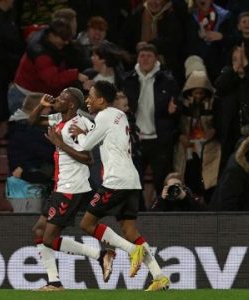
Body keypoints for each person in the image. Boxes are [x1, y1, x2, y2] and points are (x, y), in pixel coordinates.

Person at [67, 81, 170, 291]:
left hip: (116, 180)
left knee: (86, 224)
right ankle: (159, 276)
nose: (87, 100)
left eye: (91, 96)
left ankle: (132, 251)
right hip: (131, 180)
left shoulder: (103, 116)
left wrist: (79, 133)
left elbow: (86, 146)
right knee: (129, 229)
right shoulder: (119, 115)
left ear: (102, 100)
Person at [28, 88, 115, 291]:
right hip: (61, 185)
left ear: (72, 104)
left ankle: (101, 255)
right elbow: (31, 122)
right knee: (39, 231)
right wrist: (41, 104)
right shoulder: (58, 119)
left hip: (72, 187)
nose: (57, 99)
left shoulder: (78, 125)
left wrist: (60, 144)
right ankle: (54, 282)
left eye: (62, 98)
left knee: (49, 239)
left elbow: (88, 159)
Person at [123, 42, 179, 199]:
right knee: (134, 180)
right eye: (142, 56)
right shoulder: (128, 80)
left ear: (156, 59)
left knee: (162, 180)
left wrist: (174, 110)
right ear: (137, 59)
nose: (145, 59)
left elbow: (177, 106)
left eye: (149, 56)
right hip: (135, 139)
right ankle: (135, 213)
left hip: (159, 139)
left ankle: (162, 213)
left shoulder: (167, 80)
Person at [8, 18, 88, 115]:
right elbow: (53, 80)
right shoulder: (41, 55)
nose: (66, 42)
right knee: (27, 129)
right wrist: (75, 75)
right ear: (52, 35)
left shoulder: (49, 39)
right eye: (63, 39)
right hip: (25, 98)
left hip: (37, 96)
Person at [175, 67, 220, 202]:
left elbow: (220, 123)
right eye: (196, 93)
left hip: (208, 147)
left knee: (208, 177)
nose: (198, 96)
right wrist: (180, 135)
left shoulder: (214, 104)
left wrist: (214, 130)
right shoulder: (182, 105)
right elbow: (174, 125)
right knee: (188, 175)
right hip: (187, 147)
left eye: (201, 93)